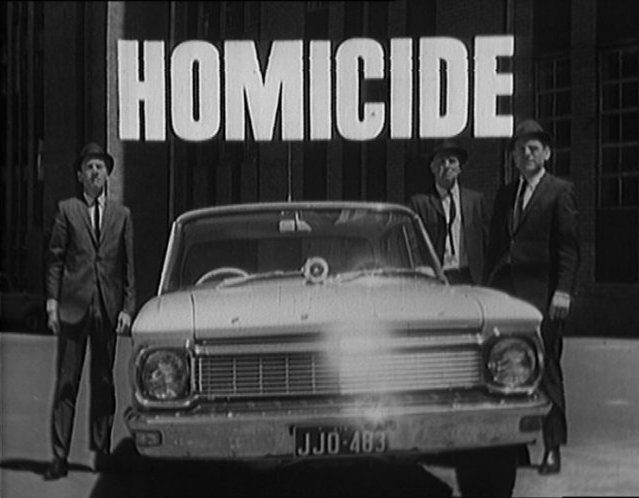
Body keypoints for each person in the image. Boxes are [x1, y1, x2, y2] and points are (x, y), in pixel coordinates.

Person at [484, 119, 580, 475]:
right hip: (507, 297)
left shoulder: (560, 192)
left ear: (546, 154)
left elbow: (568, 248)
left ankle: (552, 448)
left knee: (547, 369)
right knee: (506, 368)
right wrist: (488, 290)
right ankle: (516, 446)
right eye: (520, 149)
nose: (526, 154)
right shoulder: (506, 194)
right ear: (513, 156)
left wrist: (563, 291)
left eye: (533, 148)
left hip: (544, 299)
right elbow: (496, 247)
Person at [44, 142, 135, 480]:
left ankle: (102, 453)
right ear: (80, 175)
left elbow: (128, 268)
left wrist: (127, 308)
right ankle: (59, 456)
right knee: (67, 382)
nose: (95, 172)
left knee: (104, 382)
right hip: (73, 307)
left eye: (100, 167)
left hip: (107, 310)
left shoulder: (121, 216)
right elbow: (55, 260)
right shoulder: (67, 210)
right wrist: (52, 304)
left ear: (108, 174)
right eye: (89, 167)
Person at [409, 139, 489, 285]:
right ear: (432, 167)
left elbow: (485, 240)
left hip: (469, 275)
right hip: (437, 276)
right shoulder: (420, 203)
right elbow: (413, 244)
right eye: (441, 162)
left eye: (452, 161)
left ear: (460, 168)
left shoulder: (475, 201)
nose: (447, 166)